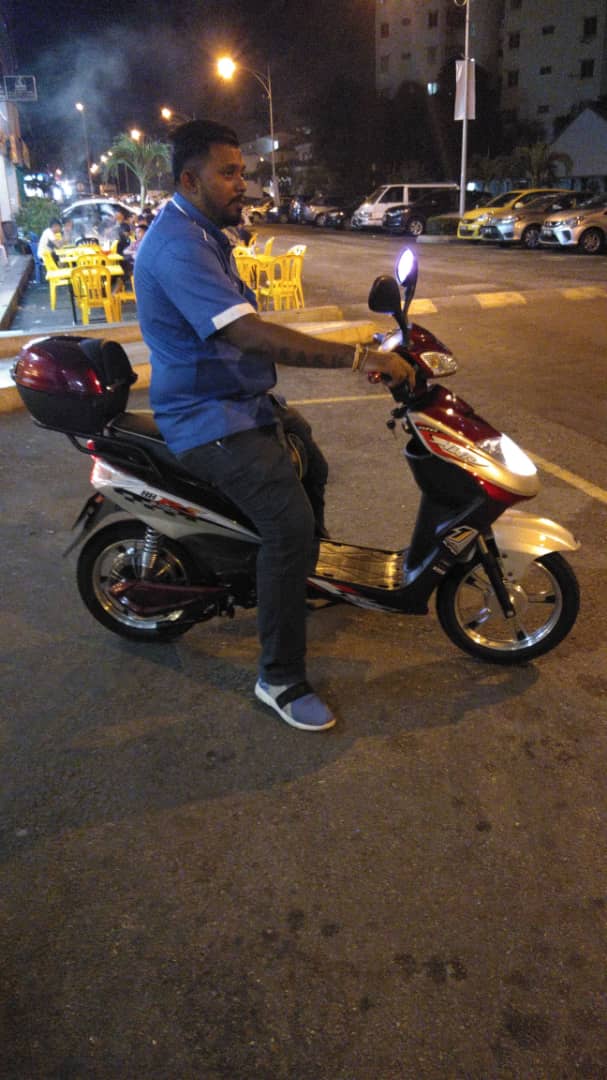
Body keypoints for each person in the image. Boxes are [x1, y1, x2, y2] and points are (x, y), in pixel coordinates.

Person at [135, 120, 414, 733]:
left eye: (242, 171)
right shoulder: (179, 246)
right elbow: (248, 333)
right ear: (190, 180)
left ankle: (304, 578)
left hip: (239, 400)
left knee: (311, 459)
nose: (243, 183)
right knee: (287, 526)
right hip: (207, 416)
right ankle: (280, 678)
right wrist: (357, 358)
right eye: (228, 173)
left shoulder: (203, 232)